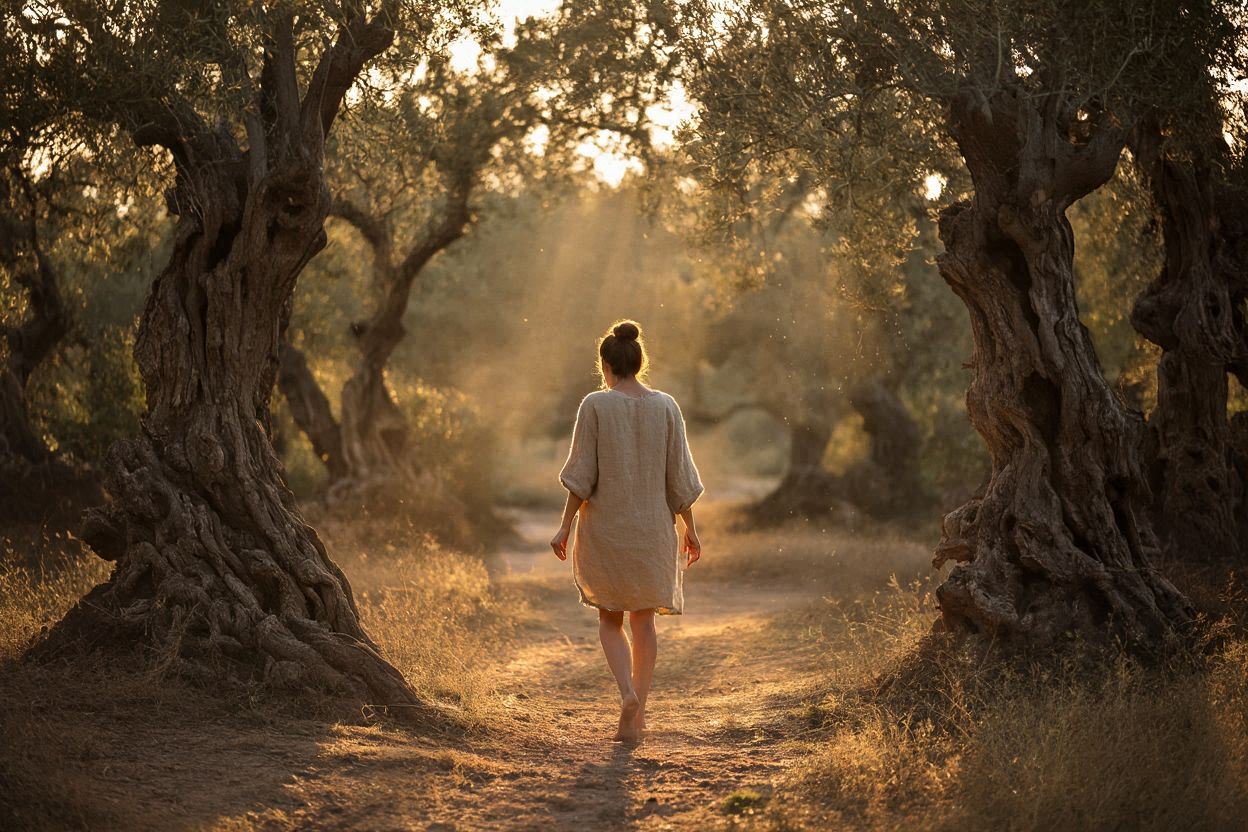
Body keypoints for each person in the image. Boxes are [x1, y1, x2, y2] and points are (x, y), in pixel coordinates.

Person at [550, 319, 704, 742]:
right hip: (653, 531)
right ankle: (639, 717)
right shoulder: (667, 406)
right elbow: (680, 480)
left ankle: (626, 694)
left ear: (606, 365)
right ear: (639, 362)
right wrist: (691, 529)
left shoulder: (595, 405)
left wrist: (564, 527)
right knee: (644, 622)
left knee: (610, 618)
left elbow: (581, 478)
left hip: (608, 531)